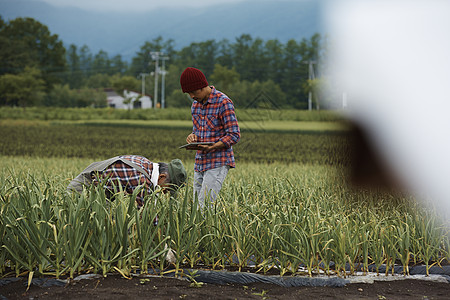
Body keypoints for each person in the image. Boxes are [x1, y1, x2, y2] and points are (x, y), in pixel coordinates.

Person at [180, 67, 240, 208]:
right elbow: (197, 131)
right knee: (195, 206)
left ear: (202, 86)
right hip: (200, 162)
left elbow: (234, 135)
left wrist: (213, 146)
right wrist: (192, 137)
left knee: (204, 205)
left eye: (193, 92)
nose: (192, 96)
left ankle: (207, 230)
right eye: (189, 93)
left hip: (217, 161)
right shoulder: (195, 105)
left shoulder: (223, 102)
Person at [67, 155, 187, 208]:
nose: (165, 192)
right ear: (161, 177)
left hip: (99, 196)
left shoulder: (146, 164)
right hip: (81, 192)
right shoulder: (141, 179)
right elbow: (146, 218)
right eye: (168, 188)